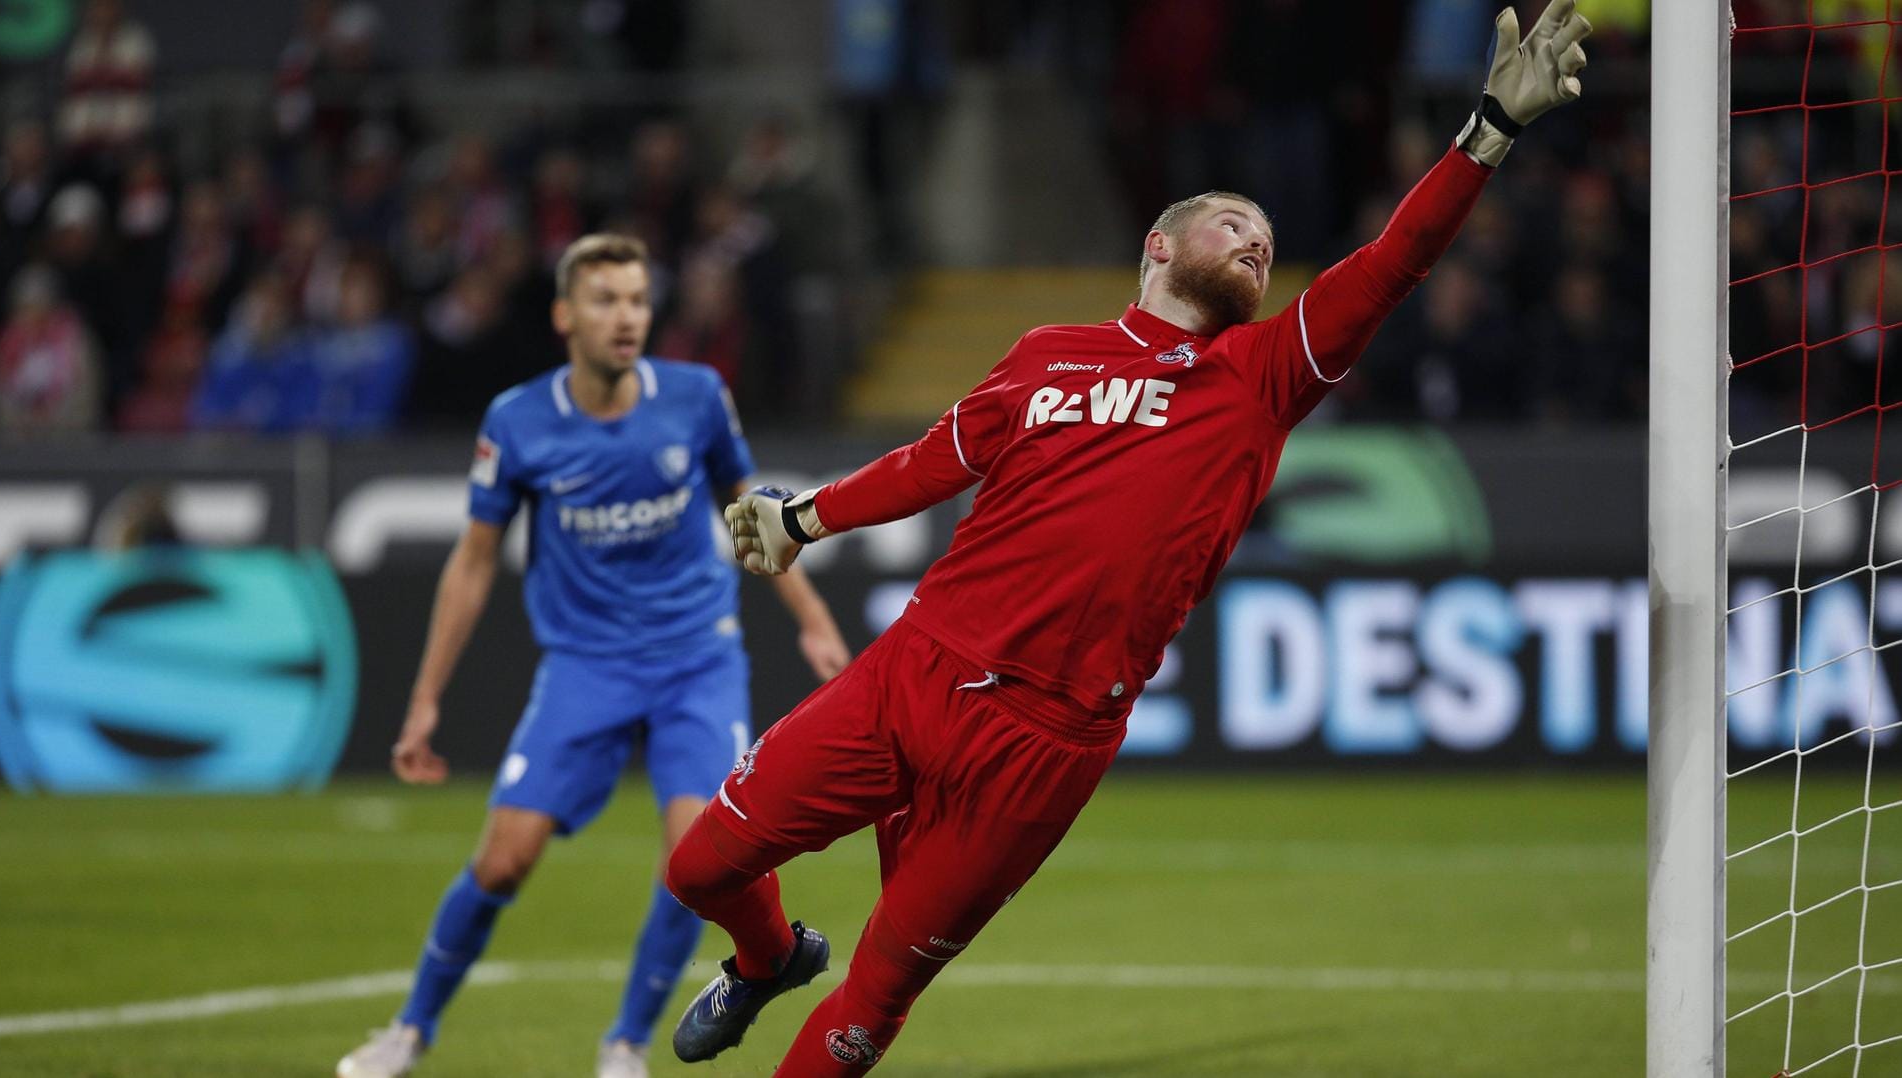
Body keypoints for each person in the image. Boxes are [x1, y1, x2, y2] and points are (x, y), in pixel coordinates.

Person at [663, 5, 1591, 1075]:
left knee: (879, 991)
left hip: (1045, 742)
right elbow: (934, 461)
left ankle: (807, 988)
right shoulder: (1045, 355)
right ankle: (768, 957)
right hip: (915, 670)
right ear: (1159, 246)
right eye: (1234, 222)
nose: (1257, 240)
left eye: (1268, 240)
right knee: (701, 867)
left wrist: (1488, 129)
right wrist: (802, 518)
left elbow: (1394, 261)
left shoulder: (1261, 377)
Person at [336, 233, 852, 1078]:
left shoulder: (695, 396)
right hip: (584, 665)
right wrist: (426, 696)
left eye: (639, 301)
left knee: (697, 861)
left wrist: (810, 616)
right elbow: (472, 562)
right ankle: (409, 1030)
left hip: (695, 659)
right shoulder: (518, 419)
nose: (627, 318)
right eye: (607, 300)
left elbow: (751, 509)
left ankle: (624, 1046)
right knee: (503, 859)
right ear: (564, 315)